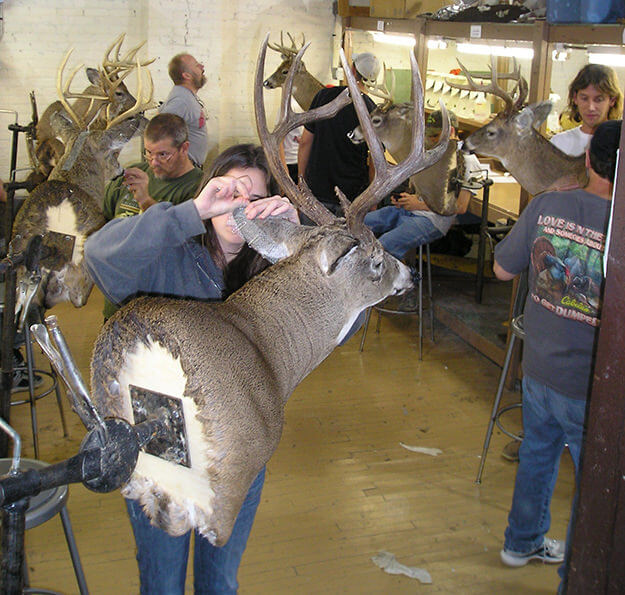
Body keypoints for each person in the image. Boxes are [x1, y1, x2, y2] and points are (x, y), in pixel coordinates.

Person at [84, 144, 299, 594]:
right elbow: (99, 256)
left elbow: (344, 317)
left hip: (239, 454)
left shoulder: (272, 276)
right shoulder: (167, 255)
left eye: (253, 195)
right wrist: (192, 211)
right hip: (162, 454)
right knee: (161, 582)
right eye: (228, 189)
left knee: (219, 582)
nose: (239, 203)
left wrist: (295, 250)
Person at [493, 120, 621, 590]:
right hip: (590, 385)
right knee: (595, 484)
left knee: (538, 454)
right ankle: (578, 575)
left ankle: (520, 540)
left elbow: (502, 269)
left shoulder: (547, 205)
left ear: (587, 159)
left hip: (539, 368)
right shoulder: (620, 227)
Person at [364, 110, 482, 308]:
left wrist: (419, 204)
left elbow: (459, 207)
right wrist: (404, 198)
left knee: (385, 244)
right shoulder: (433, 155)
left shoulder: (466, 161)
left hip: (433, 220)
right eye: (430, 136)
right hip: (411, 211)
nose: (431, 140)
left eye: (435, 136)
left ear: (451, 131)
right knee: (359, 222)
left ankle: (407, 285)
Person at [101, 113, 204, 320]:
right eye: (148, 153)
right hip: (117, 304)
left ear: (184, 148)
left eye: (163, 155)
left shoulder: (200, 189)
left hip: (161, 311)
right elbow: (103, 225)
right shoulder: (133, 175)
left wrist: (146, 200)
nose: (153, 162)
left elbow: (184, 247)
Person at [297, 52, 379, 217]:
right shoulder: (373, 111)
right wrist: (374, 199)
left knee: (311, 241)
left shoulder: (323, 96)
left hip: (316, 194)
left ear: (353, 70)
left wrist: (301, 183)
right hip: (351, 198)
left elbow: (305, 142)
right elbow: (375, 162)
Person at [551, 63, 622, 157]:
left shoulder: (620, 144)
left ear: (612, 100)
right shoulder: (558, 143)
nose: (591, 107)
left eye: (598, 100)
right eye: (584, 98)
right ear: (575, 98)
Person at [160, 53, 209, 168]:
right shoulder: (181, 101)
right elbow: (160, 131)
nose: (202, 67)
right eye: (197, 66)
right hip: (182, 171)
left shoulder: (185, 97)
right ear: (187, 75)